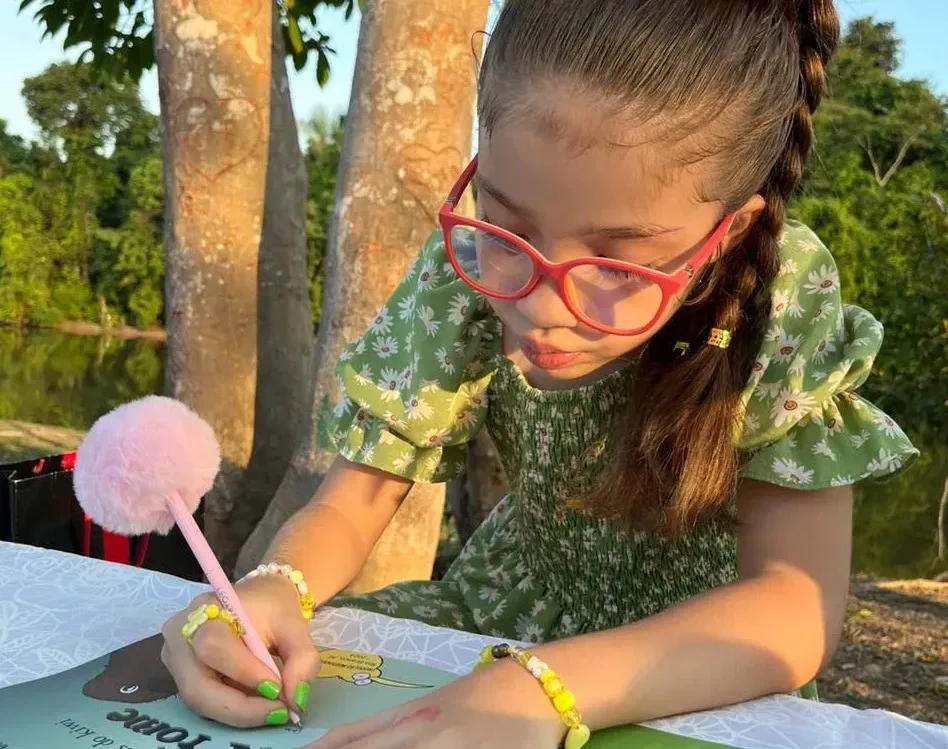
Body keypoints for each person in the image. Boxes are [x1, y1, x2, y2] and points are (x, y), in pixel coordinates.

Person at [160, 0, 919, 746]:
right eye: (508, 224)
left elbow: (792, 607)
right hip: (503, 620)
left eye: (619, 261)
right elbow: (352, 502)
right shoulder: (460, 274)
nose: (544, 305)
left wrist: (542, 687)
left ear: (731, 233)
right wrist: (273, 585)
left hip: (699, 672)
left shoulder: (781, 301)